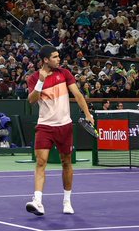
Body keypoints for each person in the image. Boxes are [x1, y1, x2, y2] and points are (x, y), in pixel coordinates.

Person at [25, 44, 93, 216]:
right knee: (41, 162)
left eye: (58, 56)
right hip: (45, 126)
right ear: (45, 60)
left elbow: (77, 95)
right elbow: (31, 101)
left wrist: (87, 113)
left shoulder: (64, 74)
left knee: (66, 163)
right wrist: (41, 81)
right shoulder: (34, 78)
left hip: (64, 126)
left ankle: (67, 200)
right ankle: (38, 201)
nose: (58, 59)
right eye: (55, 57)